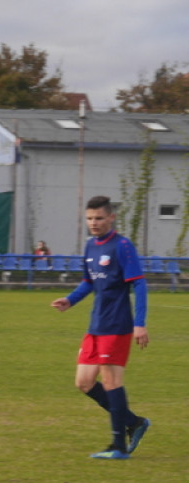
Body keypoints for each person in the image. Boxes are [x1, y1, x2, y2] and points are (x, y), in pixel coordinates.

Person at [50, 196, 149, 459]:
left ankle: (119, 446)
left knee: (111, 381)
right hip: (96, 325)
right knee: (83, 382)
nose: (94, 223)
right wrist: (70, 300)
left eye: (99, 218)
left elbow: (139, 284)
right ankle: (134, 423)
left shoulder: (123, 246)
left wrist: (140, 324)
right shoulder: (90, 246)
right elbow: (89, 282)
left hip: (117, 326)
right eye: (90, 218)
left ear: (111, 218)